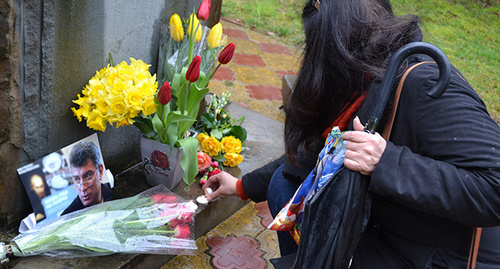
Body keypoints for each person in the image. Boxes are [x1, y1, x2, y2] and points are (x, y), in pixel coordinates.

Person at [204, 0, 500, 267]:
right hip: (390, 229)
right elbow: (315, 154)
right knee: (284, 185)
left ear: (337, 46)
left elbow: (494, 186)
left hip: (436, 255)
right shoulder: (364, 79)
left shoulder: (423, 82)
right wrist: (241, 187)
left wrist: (386, 162)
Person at [61, 141, 112, 215]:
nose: (82, 188)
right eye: (76, 179)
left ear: (100, 171)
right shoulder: (67, 217)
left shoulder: (118, 190)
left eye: (87, 176)